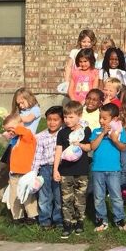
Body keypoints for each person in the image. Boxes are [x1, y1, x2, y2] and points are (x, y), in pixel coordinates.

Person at [52, 100, 92, 239]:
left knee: (80, 199)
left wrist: (79, 143)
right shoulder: (62, 133)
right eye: (65, 117)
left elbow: (89, 147)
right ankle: (68, 224)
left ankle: (79, 222)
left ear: (79, 116)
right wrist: (55, 170)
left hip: (81, 171)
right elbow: (58, 151)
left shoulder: (85, 130)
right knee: (66, 199)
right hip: (65, 172)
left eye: (71, 117)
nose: (67, 120)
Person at [89, 103, 126, 232]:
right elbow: (92, 147)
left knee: (116, 196)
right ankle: (101, 220)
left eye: (105, 118)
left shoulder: (119, 132)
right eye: (100, 118)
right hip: (97, 170)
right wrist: (102, 135)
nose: (101, 121)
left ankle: (119, 219)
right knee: (99, 197)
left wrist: (115, 139)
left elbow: (123, 148)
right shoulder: (96, 131)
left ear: (115, 119)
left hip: (114, 170)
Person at [1, 112, 38, 224]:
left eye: (12, 128)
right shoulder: (15, 139)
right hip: (14, 173)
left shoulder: (28, 135)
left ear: (21, 124)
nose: (11, 132)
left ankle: (32, 216)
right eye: (8, 130)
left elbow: (23, 130)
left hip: (26, 172)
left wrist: (15, 128)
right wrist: (9, 131)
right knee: (14, 196)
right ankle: (17, 216)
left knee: (27, 196)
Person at [30, 106, 63, 230]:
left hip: (60, 168)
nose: (52, 122)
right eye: (49, 119)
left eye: (56, 120)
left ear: (62, 120)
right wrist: (33, 172)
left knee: (59, 195)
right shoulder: (41, 136)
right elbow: (37, 156)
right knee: (45, 196)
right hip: (44, 169)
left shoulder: (64, 133)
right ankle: (45, 221)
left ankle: (59, 220)